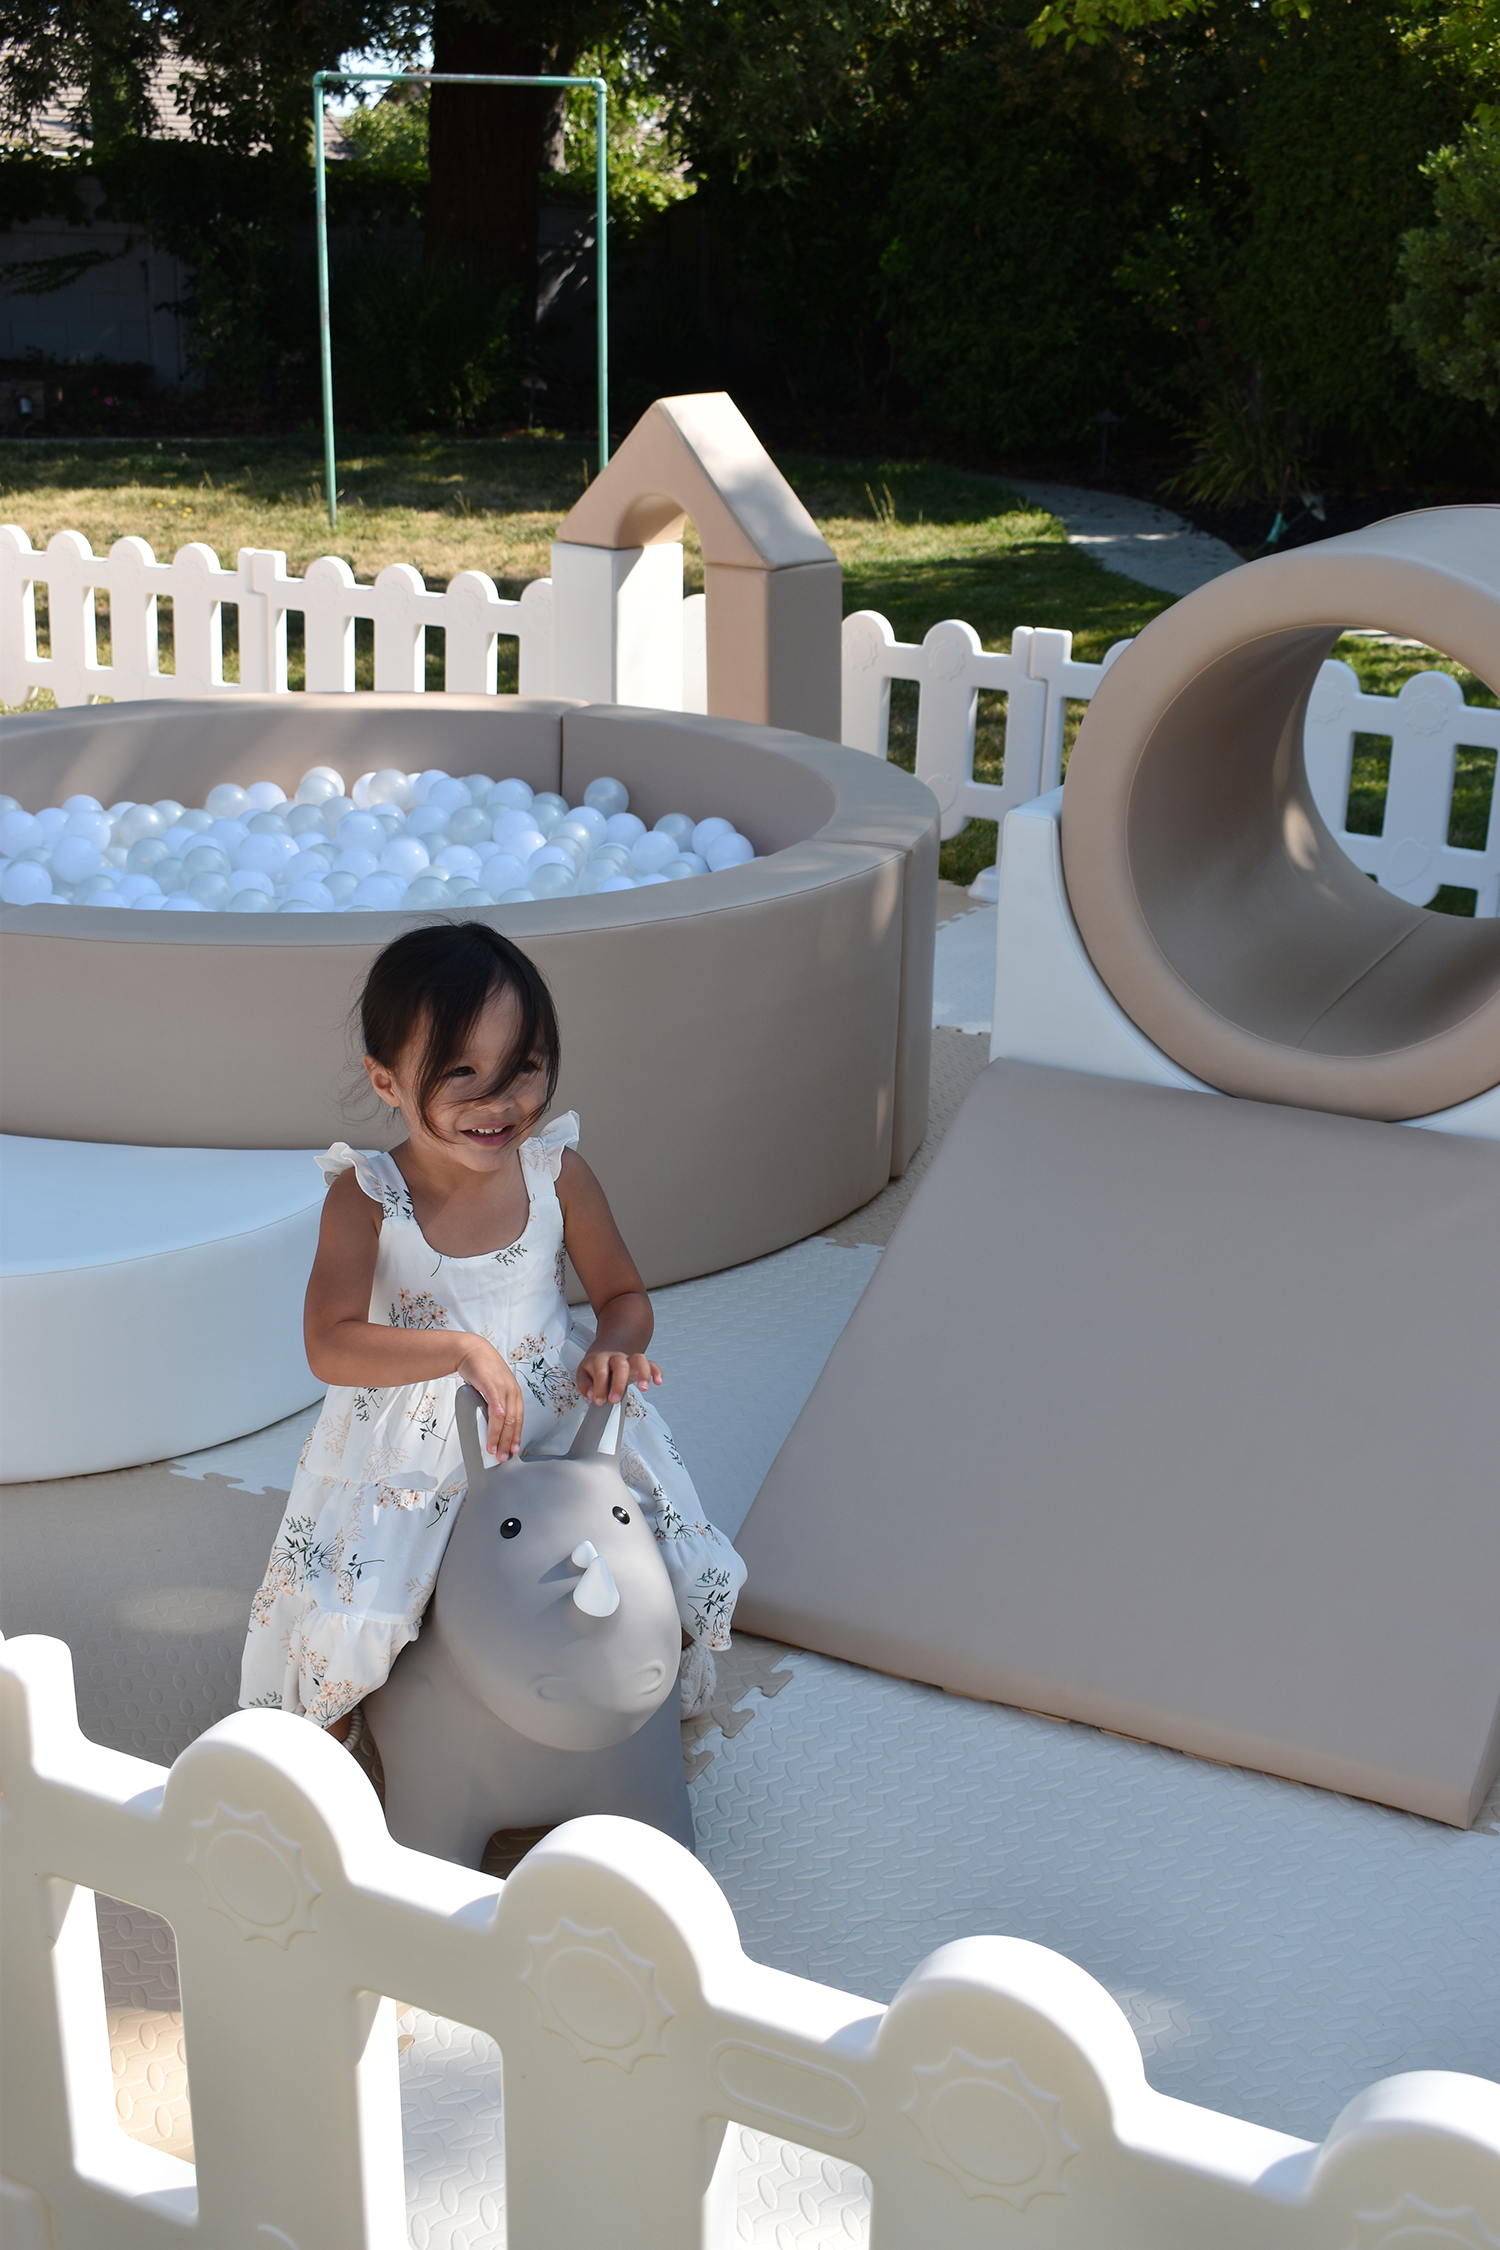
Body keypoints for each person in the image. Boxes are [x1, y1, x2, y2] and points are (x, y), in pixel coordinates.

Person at [239, 920, 745, 1740]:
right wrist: (460, 1350)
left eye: (524, 1070)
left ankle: (640, 1683)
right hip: (418, 1432)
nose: (499, 1102)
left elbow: (623, 1296)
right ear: (387, 1081)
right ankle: (331, 1738)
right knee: (371, 1592)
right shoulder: (369, 1196)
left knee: (651, 1529)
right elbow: (329, 1344)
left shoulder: (556, 1176)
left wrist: (617, 1347)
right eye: (461, 1074)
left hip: (550, 1408)